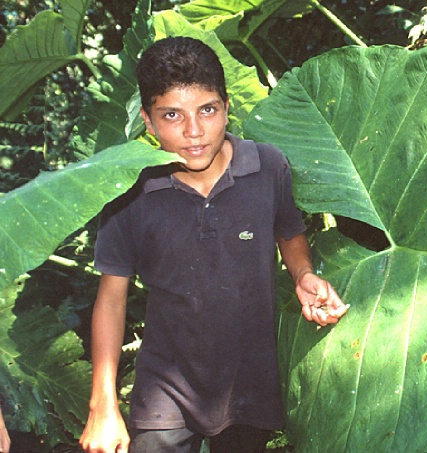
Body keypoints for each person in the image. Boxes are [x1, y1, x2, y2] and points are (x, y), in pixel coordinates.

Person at [79, 36, 348, 453]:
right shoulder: (129, 191)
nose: (193, 131)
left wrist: (303, 273)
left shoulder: (267, 166)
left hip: (247, 380)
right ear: (148, 122)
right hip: (164, 387)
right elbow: (111, 300)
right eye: (172, 115)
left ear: (226, 107)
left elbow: (288, 231)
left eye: (207, 110)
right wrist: (103, 404)